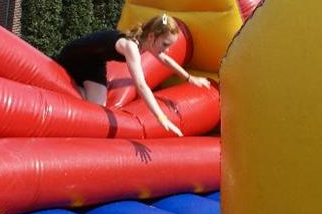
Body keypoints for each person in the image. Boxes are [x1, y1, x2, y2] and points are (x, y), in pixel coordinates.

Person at [55, 13, 211, 137]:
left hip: (95, 63)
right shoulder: (131, 46)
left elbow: (165, 60)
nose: (167, 49)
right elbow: (141, 85)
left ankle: (77, 87)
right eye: (165, 44)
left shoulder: (146, 42)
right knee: (91, 106)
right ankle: (69, 85)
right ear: (152, 37)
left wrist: (189, 78)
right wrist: (161, 116)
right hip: (76, 55)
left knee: (97, 109)